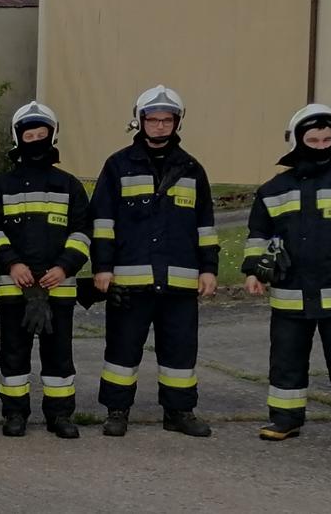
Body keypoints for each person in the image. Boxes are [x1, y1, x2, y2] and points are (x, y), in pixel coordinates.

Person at [245, 104, 331, 449]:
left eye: (327, 139)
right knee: (286, 361)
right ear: (296, 140)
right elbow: (258, 235)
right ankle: (284, 420)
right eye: (313, 139)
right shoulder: (273, 189)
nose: (321, 145)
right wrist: (254, 272)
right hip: (289, 294)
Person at [92, 85, 218, 438]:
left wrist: (208, 269)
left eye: (167, 120)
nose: (160, 126)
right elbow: (102, 222)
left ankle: (179, 412)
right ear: (140, 121)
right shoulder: (117, 166)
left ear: (177, 123)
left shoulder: (192, 169)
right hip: (129, 282)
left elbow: (205, 226)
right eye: (153, 119)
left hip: (179, 282)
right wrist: (102, 268)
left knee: (179, 351)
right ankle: (117, 412)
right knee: (121, 350)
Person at [0, 101, 91, 438]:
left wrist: (64, 267)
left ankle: (60, 416)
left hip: (59, 286)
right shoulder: (2, 186)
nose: (36, 140)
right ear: (18, 138)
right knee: (13, 356)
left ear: (52, 136)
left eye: (42, 134)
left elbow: (82, 232)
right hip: (15, 286)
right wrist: (13, 264)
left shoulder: (70, 185)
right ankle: (14, 415)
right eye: (29, 134)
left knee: (59, 356)